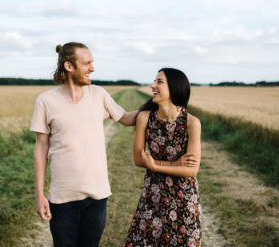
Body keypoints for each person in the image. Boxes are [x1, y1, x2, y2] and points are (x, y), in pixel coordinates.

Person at [30, 42, 137, 247]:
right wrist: (39, 195)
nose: (93, 68)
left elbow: (126, 118)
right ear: (69, 66)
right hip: (62, 198)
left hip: (97, 196)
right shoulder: (45, 101)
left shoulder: (98, 94)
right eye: (87, 63)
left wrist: (159, 105)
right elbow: (40, 148)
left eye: (92, 63)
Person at [123, 68, 202, 246]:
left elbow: (191, 170)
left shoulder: (192, 123)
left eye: (159, 82)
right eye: (154, 81)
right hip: (154, 195)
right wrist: (174, 164)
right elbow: (138, 159)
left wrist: (155, 165)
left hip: (184, 198)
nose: (152, 86)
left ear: (174, 88)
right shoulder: (145, 117)